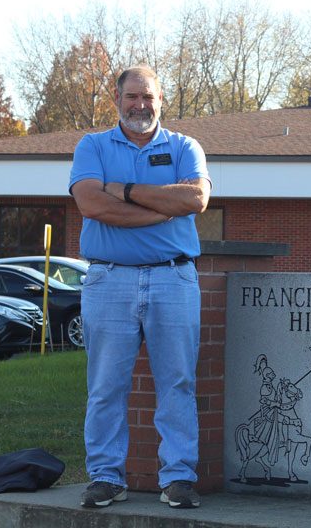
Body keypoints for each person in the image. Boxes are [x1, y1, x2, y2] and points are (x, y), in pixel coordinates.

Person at [68, 65, 211, 510]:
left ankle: (178, 479)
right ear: (117, 99)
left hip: (174, 277)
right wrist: (160, 208)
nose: (140, 105)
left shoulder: (185, 146)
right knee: (106, 385)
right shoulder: (91, 146)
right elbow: (91, 202)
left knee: (179, 382)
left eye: (148, 97)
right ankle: (107, 477)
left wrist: (125, 190)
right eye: (132, 96)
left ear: (161, 99)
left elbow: (195, 200)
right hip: (109, 279)